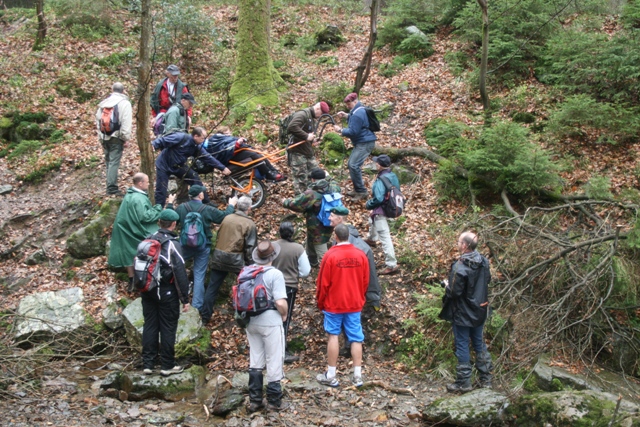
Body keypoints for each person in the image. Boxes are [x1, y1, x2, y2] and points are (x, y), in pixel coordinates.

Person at [166, 185, 237, 314]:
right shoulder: (207, 209)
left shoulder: (182, 208)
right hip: (203, 246)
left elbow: (170, 218)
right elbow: (224, 217)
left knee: (174, 268)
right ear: (200, 195)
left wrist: (170, 203)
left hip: (184, 245)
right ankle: (197, 306)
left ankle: (172, 296)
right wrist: (231, 205)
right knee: (199, 274)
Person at [316, 224, 369, 388]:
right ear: (349, 236)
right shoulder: (360, 255)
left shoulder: (330, 255)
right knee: (356, 337)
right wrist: (360, 297)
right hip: (354, 303)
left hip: (334, 303)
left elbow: (322, 283)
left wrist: (320, 301)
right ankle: (357, 376)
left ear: (335, 237)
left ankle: (331, 375)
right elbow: (365, 281)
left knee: (333, 335)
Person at [440, 231, 492, 393]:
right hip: (480, 310)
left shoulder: (459, 266)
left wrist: (446, 285)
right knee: (478, 342)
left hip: (462, 313)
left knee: (462, 344)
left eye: (459, 241)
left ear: (464, 245)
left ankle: (464, 382)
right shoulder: (484, 262)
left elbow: (454, 292)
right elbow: (487, 280)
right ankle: (486, 379)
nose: (457, 243)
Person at [140, 209, 191, 377]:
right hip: (166, 292)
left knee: (150, 325)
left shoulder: (148, 239)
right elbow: (180, 273)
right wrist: (185, 298)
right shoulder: (172, 244)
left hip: (147, 290)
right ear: (174, 224)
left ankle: (148, 364)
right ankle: (167, 365)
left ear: (159, 222)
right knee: (168, 327)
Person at [245, 240, 289, 412]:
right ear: (272, 256)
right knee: (274, 358)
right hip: (270, 322)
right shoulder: (275, 274)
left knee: (255, 358)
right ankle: (274, 401)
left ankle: (255, 400)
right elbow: (280, 302)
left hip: (251, 321)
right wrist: (284, 313)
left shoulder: (247, 271)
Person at [201, 196, 257, 324]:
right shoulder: (250, 224)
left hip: (219, 256)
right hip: (236, 260)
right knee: (245, 288)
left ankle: (205, 316)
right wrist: (250, 265)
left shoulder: (226, 218)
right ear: (249, 208)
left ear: (237, 206)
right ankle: (244, 315)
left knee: (212, 288)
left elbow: (219, 236)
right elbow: (250, 248)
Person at [108, 173, 164, 290]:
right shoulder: (138, 198)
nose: (149, 184)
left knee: (129, 254)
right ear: (140, 183)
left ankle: (132, 281)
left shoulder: (129, 195)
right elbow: (145, 217)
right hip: (135, 230)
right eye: (147, 181)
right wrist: (158, 208)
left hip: (125, 229)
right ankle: (144, 279)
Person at [152, 127, 232, 208]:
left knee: (194, 177)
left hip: (179, 166)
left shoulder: (196, 146)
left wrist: (222, 168)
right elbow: (163, 140)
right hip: (164, 164)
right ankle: (158, 210)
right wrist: (153, 145)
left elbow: (208, 157)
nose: (204, 140)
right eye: (203, 138)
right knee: (161, 188)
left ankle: (206, 202)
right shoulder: (181, 137)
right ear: (196, 136)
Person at [282, 168, 341, 267]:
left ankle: (330, 272)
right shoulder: (333, 187)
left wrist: (285, 202)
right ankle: (312, 261)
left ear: (313, 179)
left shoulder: (312, 193)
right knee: (311, 241)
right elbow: (334, 182)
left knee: (322, 251)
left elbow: (296, 204)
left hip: (316, 226)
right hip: (330, 221)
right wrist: (329, 176)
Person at [271, 221, 311, 364]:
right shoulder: (297, 248)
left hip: (270, 286)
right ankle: (282, 352)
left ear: (279, 232)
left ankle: (270, 349)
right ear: (292, 233)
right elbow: (306, 271)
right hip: (289, 287)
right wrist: (295, 273)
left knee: (270, 316)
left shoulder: (273, 246)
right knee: (284, 319)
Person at [328, 206, 380, 308]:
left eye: (332, 216)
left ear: (340, 219)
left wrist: (372, 299)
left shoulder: (352, 243)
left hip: (350, 299)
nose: (329, 218)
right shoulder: (341, 236)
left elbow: (370, 276)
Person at [333, 92, 377, 201]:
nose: (348, 107)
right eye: (347, 105)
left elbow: (353, 131)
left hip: (365, 143)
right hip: (363, 142)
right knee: (352, 164)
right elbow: (357, 120)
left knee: (353, 165)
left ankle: (361, 191)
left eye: (349, 104)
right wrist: (346, 115)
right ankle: (358, 189)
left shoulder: (357, 113)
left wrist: (341, 130)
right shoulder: (359, 110)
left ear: (355, 101)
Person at [96, 82, 132, 197]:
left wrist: (100, 137)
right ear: (123, 91)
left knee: (108, 161)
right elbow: (126, 121)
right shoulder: (124, 103)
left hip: (104, 135)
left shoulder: (104, 103)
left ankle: (109, 185)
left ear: (112, 90)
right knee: (114, 162)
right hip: (116, 136)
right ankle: (111, 188)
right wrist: (125, 138)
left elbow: (98, 120)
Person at [365, 155, 399, 275]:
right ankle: (372, 239)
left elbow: (378, 198)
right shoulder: (393, 175)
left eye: (376, 163)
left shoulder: (381, 179)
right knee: (371, 218)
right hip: (391, 206)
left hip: (381, 209)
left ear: (379, 165)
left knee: (385, 236)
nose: (375, 164)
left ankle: (391, 264)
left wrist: (369, 204)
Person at [200, 133, 285, 181]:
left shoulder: (216, 140)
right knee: (254, 155)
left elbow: (228, 144)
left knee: (257, 154)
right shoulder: (213, 143)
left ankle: (273, 172)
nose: (229, 134)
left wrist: (237, 143)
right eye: (226, 133)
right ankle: (268, 173)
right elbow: (225, 150)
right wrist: (236, 144)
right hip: (229, 160)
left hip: (234, 155)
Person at [286, 101, 330, 193]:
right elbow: (292, 127)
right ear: (317, 109)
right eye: (321, 114)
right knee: (301, 180)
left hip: (307, 152)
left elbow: (306, 133)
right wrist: (306, 136)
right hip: (298, 153)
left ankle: (313, 198)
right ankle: (300, 203)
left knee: (317, 175)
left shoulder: (311, 117)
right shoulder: (303, 114)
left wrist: (312, 140)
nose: (320, 116)